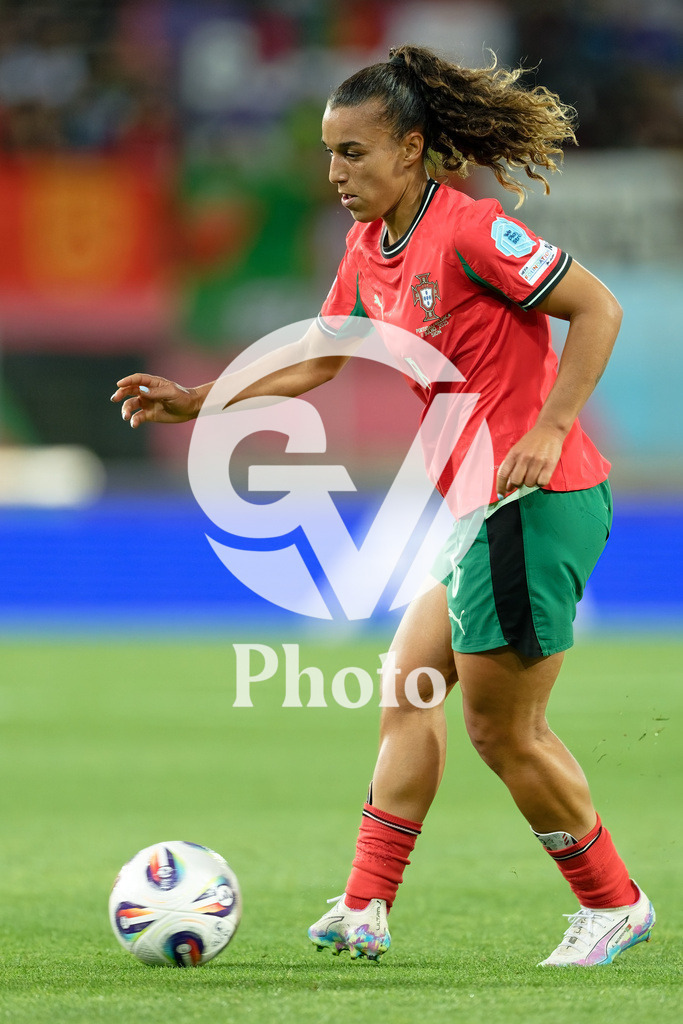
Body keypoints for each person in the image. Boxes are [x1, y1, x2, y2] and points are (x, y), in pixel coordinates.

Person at [111, 44, 655, 967]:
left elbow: (596, 307)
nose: (335, 174)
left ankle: (612, 903)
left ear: (410, 149)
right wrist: (202, 399)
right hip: (478, 511)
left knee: (501, 729)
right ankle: (365, 905)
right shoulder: (369, 250)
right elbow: (320, 357)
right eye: (329, 154)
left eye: (353, 153)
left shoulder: (474, 231)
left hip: (532, 499)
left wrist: (553, 426)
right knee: (408, 687)